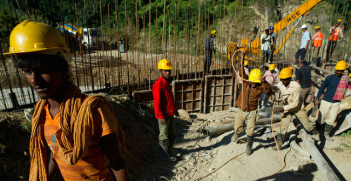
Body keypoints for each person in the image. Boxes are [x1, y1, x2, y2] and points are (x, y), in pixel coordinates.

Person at [3, 20, 130, 181]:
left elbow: (117, 163)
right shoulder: (42, 114)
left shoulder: (93, 111)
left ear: (63, 70)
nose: (34, 80)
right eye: (28, 72)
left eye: (43, 71)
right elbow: (57, 153)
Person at [232, 51, 273, 156]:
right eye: (253, 82)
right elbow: (241, 71)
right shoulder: (246, 82)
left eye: (256, 82)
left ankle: (249, 147)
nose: (254, 84)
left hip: (252, 112)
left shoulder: (260, 87)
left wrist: (263, 81)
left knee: (250, 131)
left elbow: (269, 91)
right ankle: (237, 133)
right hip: (241, 110)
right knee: (238, 127)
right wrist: (242, 57)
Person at [272, 68, 318, 150]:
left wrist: (282, 108)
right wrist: (269, 87)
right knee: (283, 126)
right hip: (287, 108)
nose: (283, 81)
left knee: (307, 127)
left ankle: (314, 130)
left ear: (290, 78)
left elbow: (295, 103)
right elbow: (276, 88)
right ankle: (279, 145)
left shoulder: (296, 87)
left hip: (298, 108)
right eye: (282, 79)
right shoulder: (281, 84)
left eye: (285, 79)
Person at [153, 59, 181, 162]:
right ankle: (164, 154)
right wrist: (160, 116)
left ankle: (170, 151)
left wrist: (174, 110)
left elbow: (169, 99)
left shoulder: (167, 83)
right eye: (165, 70)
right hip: (163, 116)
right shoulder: (158, 84)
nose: (168, 72)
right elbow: (157, 103)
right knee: (164, 135)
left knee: (172, 133)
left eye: (169, 70)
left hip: (169, 113)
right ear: (160, 71)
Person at [315, 60, 349, 142]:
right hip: (326, 101)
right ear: (335, 69)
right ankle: (318, 132)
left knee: (332, 119)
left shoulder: (345, 79)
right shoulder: (329, 78)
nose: (339, 72)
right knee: (321, 117)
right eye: (337, 70)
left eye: (341, 71)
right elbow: (322, 88)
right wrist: (317, 98)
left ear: (343, 70)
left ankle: (327, 134)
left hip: (336, 102)